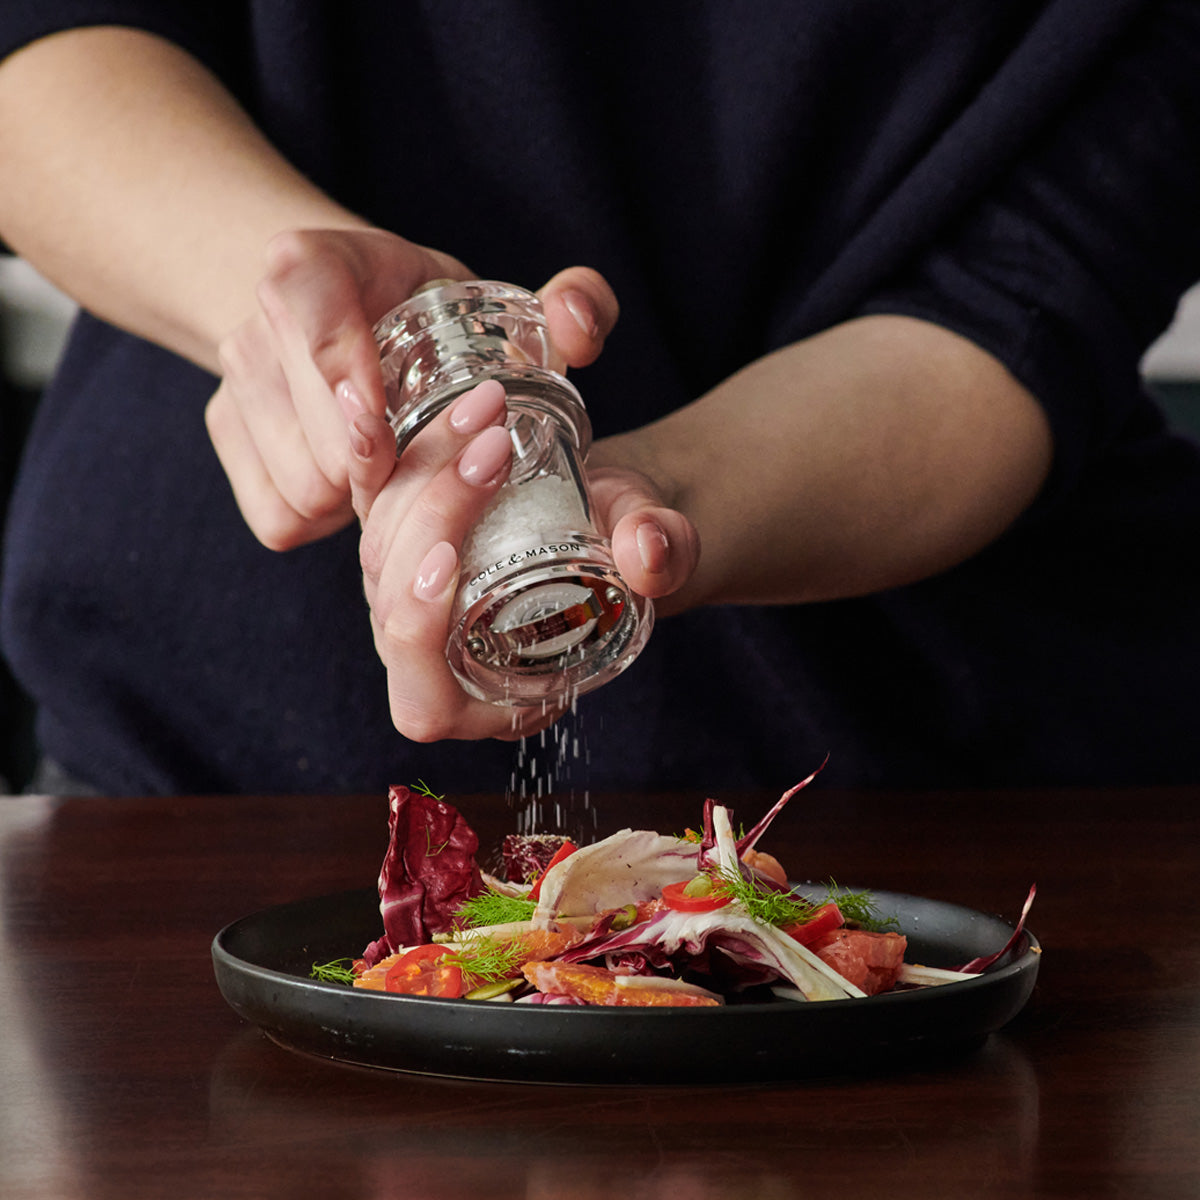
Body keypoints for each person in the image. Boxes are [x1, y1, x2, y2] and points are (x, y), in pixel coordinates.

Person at [0, 3, 1198, 797]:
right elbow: (43, 50)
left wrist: (657, 499)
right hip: (192, 793)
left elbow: (1031, 290)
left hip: (943, 803)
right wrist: (307, 318)